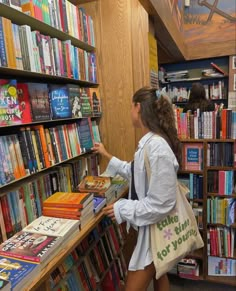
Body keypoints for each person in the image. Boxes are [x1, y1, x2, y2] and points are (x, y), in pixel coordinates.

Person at [92, 86, 182, 291]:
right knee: (160, 276)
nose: (130, 112)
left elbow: (161, 203)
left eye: (131, 107)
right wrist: (107, 155)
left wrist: (121, 208)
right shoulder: (150, 143)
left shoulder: (156, 147)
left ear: (138, 107)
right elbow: (137, 174)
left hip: (155, 231)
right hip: (153, 230)